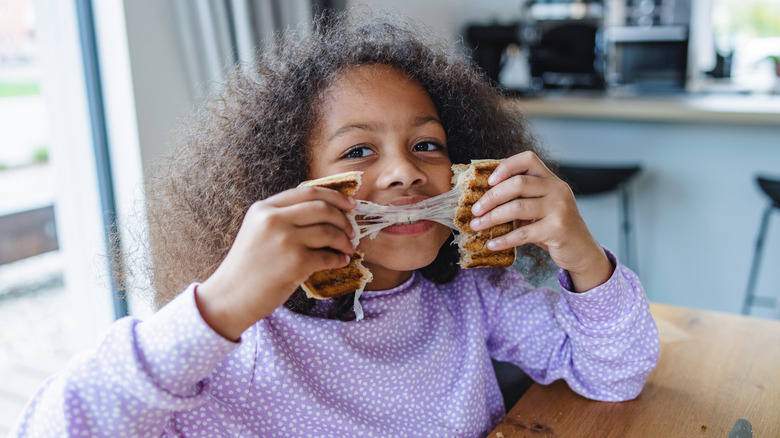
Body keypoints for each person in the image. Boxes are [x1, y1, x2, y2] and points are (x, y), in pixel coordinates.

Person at [11, 8, 659, 438]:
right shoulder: (239, 342)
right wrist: (218, 309)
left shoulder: (472, 299)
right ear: (285, 187)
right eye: (357, 152)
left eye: (427, 145)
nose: (406, 173)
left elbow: (616, 372)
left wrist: (582, 257)